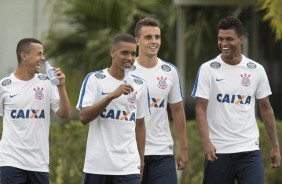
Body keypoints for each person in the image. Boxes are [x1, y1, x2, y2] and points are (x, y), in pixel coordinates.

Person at [192, 15, 281, 184]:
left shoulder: (256, 70)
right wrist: (206, 142)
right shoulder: (207, 69)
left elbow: (266, 109)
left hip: (249, 151)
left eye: (229, 39)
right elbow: (200, 108)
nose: (224, 43)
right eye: (220, 39)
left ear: (241, 39)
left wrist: (275, 146)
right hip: (218, 152)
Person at [76, 33, 150, 184]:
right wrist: (111, 96)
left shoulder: (141, 85)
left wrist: (141, 160)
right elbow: (83, 117)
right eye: (124, 53)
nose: (129, 58)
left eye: (133, 54)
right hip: (97, 166)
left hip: (128, 166)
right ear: (112, 52)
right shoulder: (94, 79)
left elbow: (140, 124)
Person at [0, 38, 71, 184]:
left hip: (39, 162)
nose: (43, 58)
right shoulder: (4, 85)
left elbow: (65, 115)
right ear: (24, 55)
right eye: (39, 54)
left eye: (43, 54)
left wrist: (61, 87)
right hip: (11, 160)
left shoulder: (48, 82)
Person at [131, 17, 188, 184]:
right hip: (130, 152)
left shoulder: (170, 71)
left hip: (162, 151)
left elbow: (177, 110)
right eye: (148, 37)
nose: (154, 41)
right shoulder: (126, 71)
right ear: (137, 41)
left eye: (157, 37)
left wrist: (183, 147)